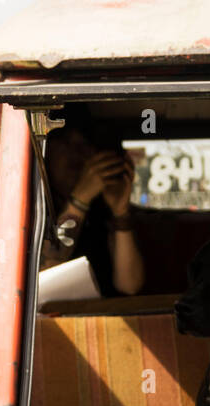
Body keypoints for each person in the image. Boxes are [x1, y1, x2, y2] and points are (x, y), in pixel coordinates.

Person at [41, 117, 145, 297]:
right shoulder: (34, 206)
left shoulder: (102, 210)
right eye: (66, 143)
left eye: (85, 145)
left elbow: (130, 285)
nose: (77, 153)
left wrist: (120, 213)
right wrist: (79, 201)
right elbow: (48, 268)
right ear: (48, 152)